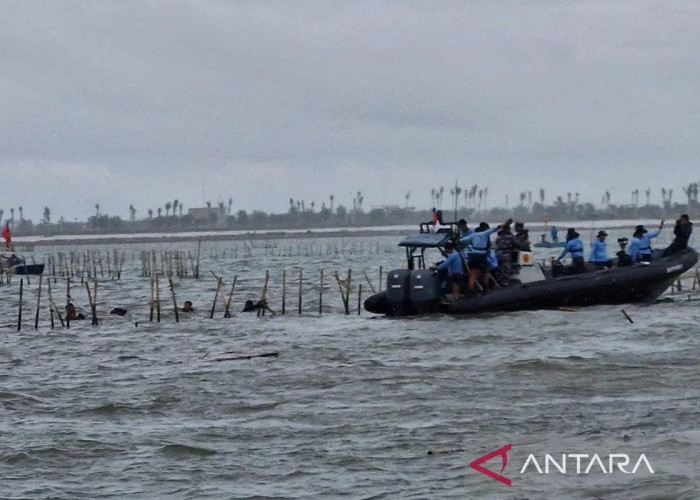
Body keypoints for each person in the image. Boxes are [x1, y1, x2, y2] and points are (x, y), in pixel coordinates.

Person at [460, 218, 512, 291]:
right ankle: (486, 288)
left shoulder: (472, 235)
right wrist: (506, 224)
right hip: (481, 256)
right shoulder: (485, 233)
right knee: (486, 272)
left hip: (472, 256)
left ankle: (470, 291)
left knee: (472, 274)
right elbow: (497, 227)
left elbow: (461, 240)